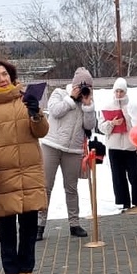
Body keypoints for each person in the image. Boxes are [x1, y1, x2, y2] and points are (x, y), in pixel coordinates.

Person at [0, 59, 50, 274]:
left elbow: (41, 132)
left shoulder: (25, 98)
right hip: (2, 172)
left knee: (28, 222)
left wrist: (37, 115)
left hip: (28, 168)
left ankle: (26, 267)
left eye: (4, 74)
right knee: (6, 224)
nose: (2, 78)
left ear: (11, 74)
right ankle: (11, 270)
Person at [39, 65, 97, 239]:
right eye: (81, 86)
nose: (83, 89)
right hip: (51, 145)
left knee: (71, 188)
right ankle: (39, 225)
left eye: (88, 86)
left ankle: (74, 224)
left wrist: (88, 106)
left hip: (73, 149)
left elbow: (89, 126)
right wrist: (71, 98)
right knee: (45, 186)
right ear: (74, 85)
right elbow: (55, 112)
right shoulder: (59, 93)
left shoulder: (88, 101)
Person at [99, 77, 137, 213]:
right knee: (118, 177)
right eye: (117, 91)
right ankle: (125, 203)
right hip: (114, 147)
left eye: (121, 92)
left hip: (130, 147)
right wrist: (112, 123)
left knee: (134, 176)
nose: (119, 94)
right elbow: (101, 127)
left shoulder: (132, 106)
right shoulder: (107, 106)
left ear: (126, 92)